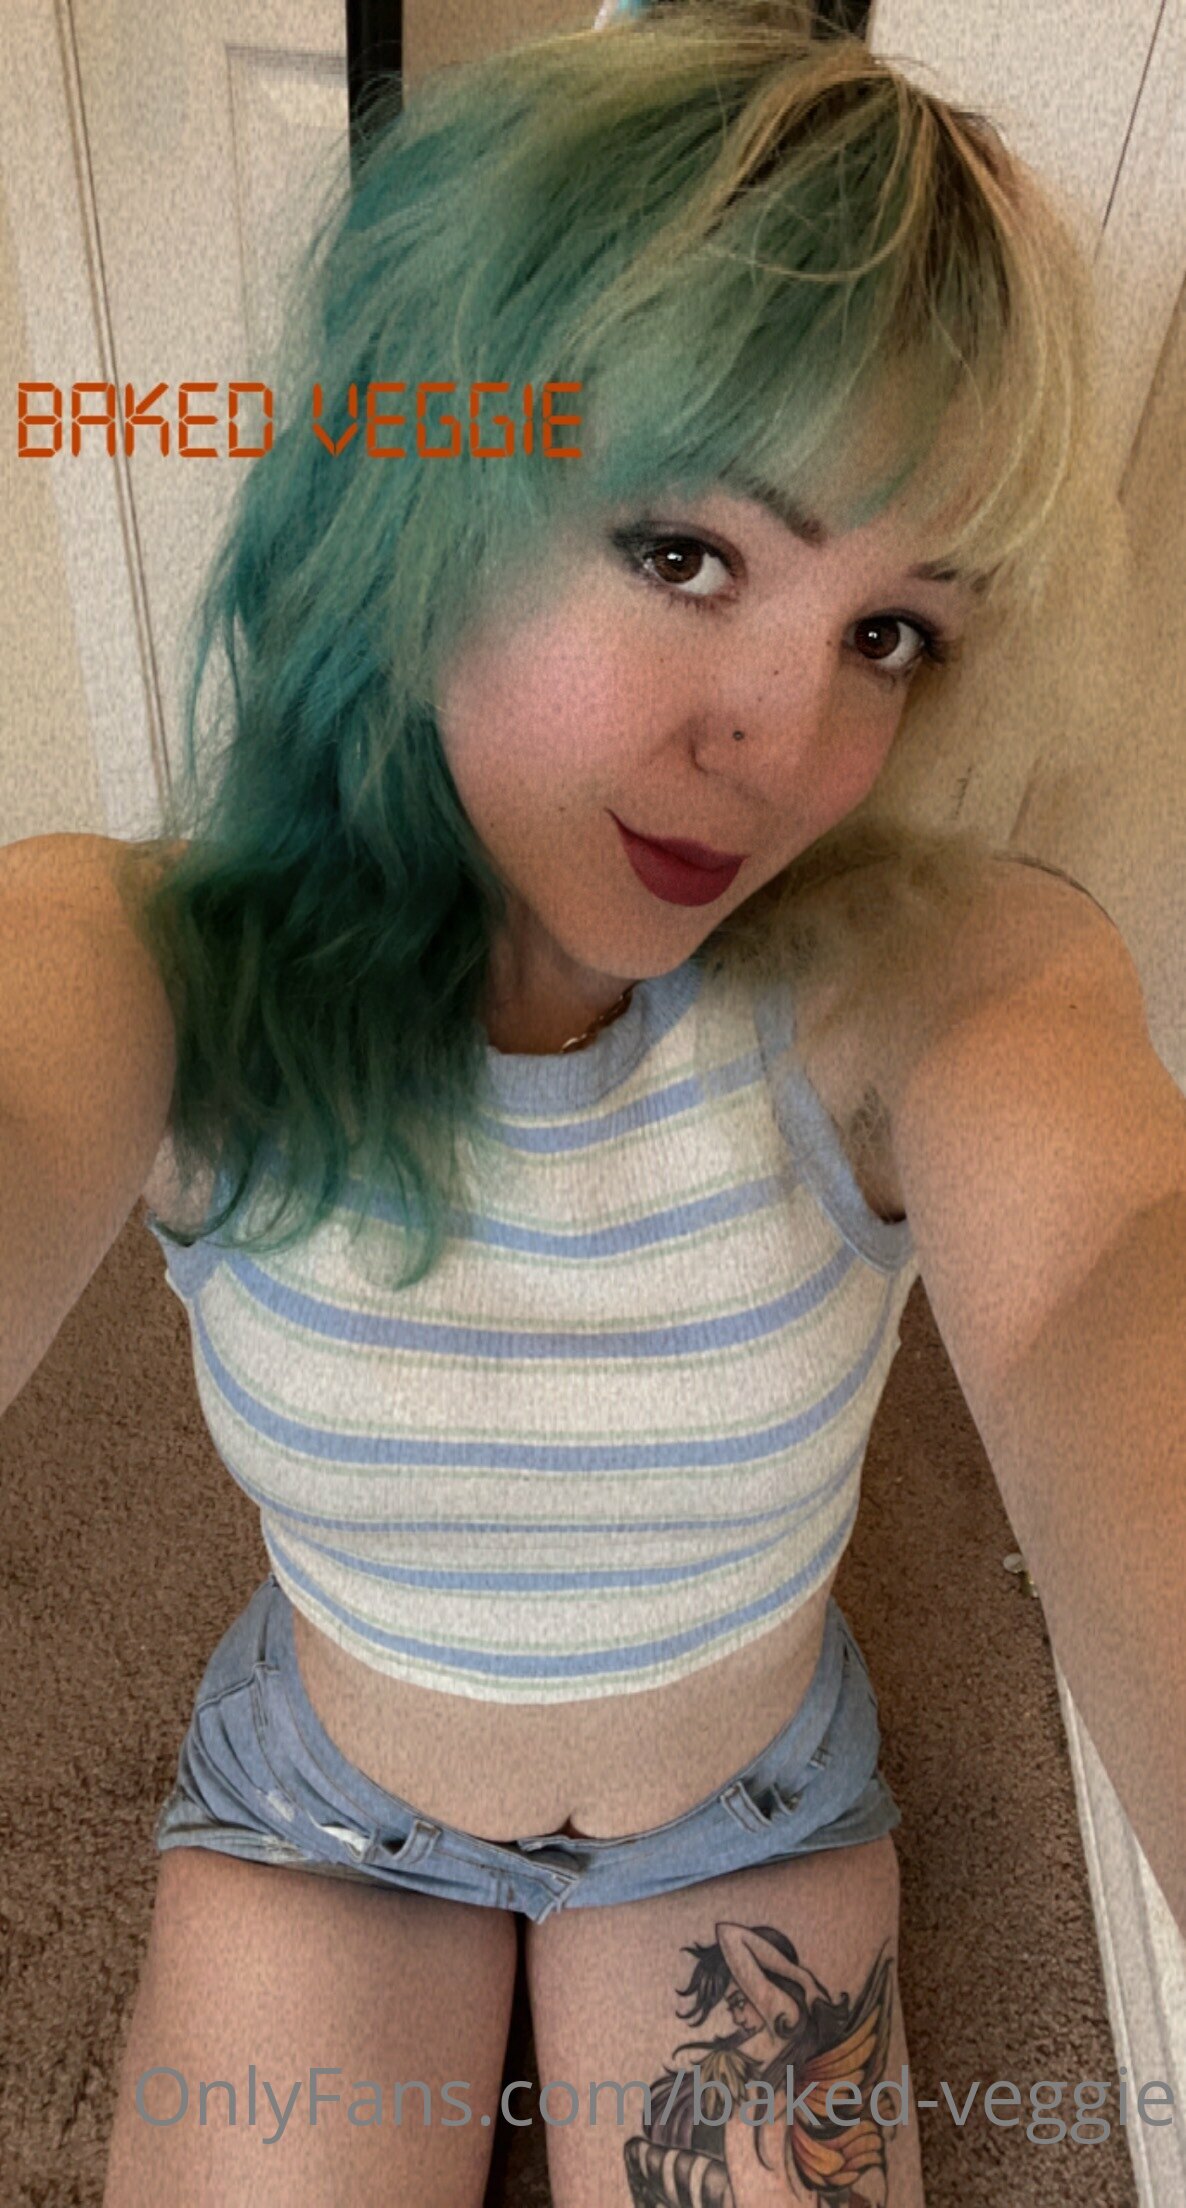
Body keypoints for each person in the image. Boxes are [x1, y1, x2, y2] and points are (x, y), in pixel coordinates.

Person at [6, 3, 1170, 2202]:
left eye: (890, 634)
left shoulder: (937, 978)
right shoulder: (148, 960)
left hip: (742, 1825)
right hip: (330, 1811)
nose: (789, 745)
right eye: (684, 553)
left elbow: (1113, 1269)